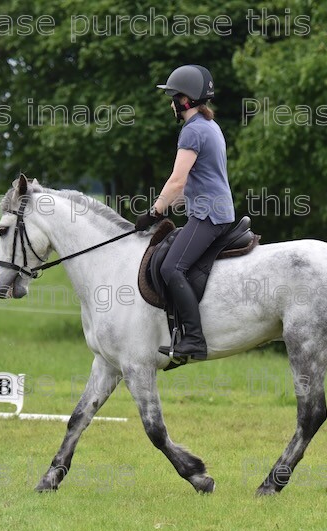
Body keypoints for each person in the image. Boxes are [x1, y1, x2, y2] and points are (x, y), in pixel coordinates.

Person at [134, 64, 236, 361]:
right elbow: (195, 182)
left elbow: (177, 180)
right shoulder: (210, 127)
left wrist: (154, 213)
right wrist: (167, 206)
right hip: (213, 210)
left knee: (170, 268)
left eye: (173, 96)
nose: (171, 102)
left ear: (185, 100)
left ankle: (194, 339)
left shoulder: (192, 132)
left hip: (209, 216)